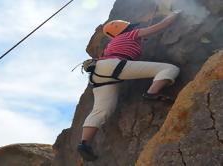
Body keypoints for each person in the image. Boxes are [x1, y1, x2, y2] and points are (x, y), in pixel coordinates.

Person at [77, 10, 181, 161]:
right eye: (130, 27)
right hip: (114, 66)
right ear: (125, 29)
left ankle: (84, 144)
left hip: (98, 73)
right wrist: (176, 13)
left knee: (101, 110)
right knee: (170, 69)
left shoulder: (113, 42)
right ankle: (152, 93)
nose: (133, 29)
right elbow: (162, 26)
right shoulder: (131, 34)